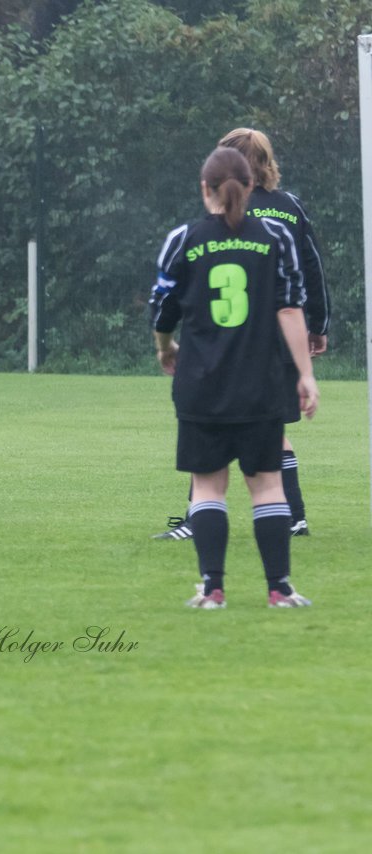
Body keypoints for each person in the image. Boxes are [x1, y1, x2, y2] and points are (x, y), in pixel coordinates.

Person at [149, 146, 317, 608]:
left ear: (206, 188)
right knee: (266, 484)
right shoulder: (277, 236)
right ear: (250, 186)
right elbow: (290, 307)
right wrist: (305, 374)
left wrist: (167, 349)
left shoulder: (183, 238)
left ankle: (213, 588)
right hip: (262, 383)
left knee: (208, 485)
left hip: (202, 383)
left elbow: (161, 308)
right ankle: (279, 589)